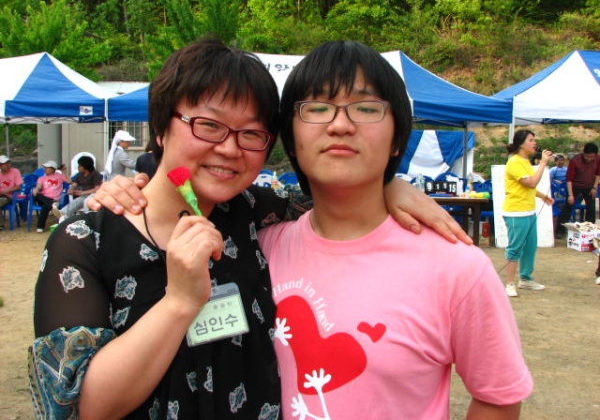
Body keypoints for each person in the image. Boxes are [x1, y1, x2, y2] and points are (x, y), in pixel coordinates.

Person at [29, 38, 468, 419]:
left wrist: (389, 185)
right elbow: (80, 406)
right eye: (209, 125)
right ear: (161, 127)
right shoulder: (85, 241)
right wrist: (180, 301)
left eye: (252, 134)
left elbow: (340, 195)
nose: (229, 148)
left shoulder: (256, 214)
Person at [257, 41, 532, 419]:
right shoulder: (261, 249)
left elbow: (498, 396)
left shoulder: (457, 268)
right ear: (290, 138)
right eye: (317, 108)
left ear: (397, 140)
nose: (340, 124)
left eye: (366, 108)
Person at [503, 130, 554, 297]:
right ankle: (510, 283)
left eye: (534, 140)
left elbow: (526, 187)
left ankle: (525, 278)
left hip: (529, 210)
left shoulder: (525, 161)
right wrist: (543, 164)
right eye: (531, 140)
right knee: (515, 248)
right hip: (516, 212)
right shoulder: (514, 162)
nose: (534, 143)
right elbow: (531, 183)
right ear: (521, 143)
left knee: (530, 247)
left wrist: (542, 196)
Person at [556, 143, 600, 239]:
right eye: (587, 156)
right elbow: (569, 179)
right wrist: (570, 195)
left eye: (592, 157)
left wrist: (594, 188)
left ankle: (589, 230)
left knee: (591, 208)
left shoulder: (597, 159)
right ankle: (560, 230)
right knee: (568, 206)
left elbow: (598, 174)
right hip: (575, 186)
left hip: (589, 186)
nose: (589, 159)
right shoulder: (575, 161)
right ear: (583, 153)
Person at [52, 155, 103, 221]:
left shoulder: (95, 174)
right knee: (77, 201)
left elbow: (97, 189)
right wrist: (71, 189)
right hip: (82, 195)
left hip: (93, 196)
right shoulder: (80, 174)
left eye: (80, 166)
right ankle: (63, 214)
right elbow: (75, 184)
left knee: (83, 201)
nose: (78, 168)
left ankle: (66, 214)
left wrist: (82, 192)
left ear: (86, 167)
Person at [31, 160, 71, 233]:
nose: (45, 169)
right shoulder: (42, 178)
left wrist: (65, 172)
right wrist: (36, 189)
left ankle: (40, 227)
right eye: (44, 167)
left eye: (47, 168)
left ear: (53, 169)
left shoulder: (59, 176)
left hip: (54, 199)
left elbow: (70, 182)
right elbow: (39, 186)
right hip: (44, 199)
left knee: (45, 207)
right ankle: (52, 204)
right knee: (35, 193)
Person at [0, 155, 24, 230]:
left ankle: (0, 225)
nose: (7, 165)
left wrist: (6, 190)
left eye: (8, 163)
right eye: (5, 163)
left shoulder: (15, 171)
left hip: (9, 196)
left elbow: (18, 187)